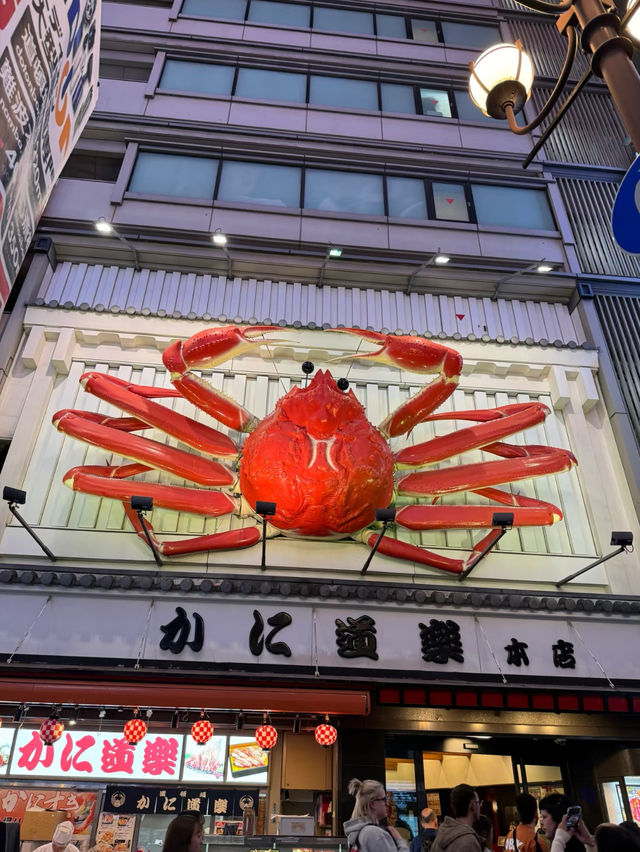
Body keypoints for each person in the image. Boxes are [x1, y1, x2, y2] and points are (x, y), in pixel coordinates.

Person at [344, 779, 409, 852]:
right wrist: (400, 841)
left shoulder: (358, 833)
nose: (387, 804)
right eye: (384, 799)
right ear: (372, 804)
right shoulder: (375, 834)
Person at [431, 784, 483, 852]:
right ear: (472, 805)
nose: (480, 806)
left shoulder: (440, 836)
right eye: (478, 802)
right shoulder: (468, 841)